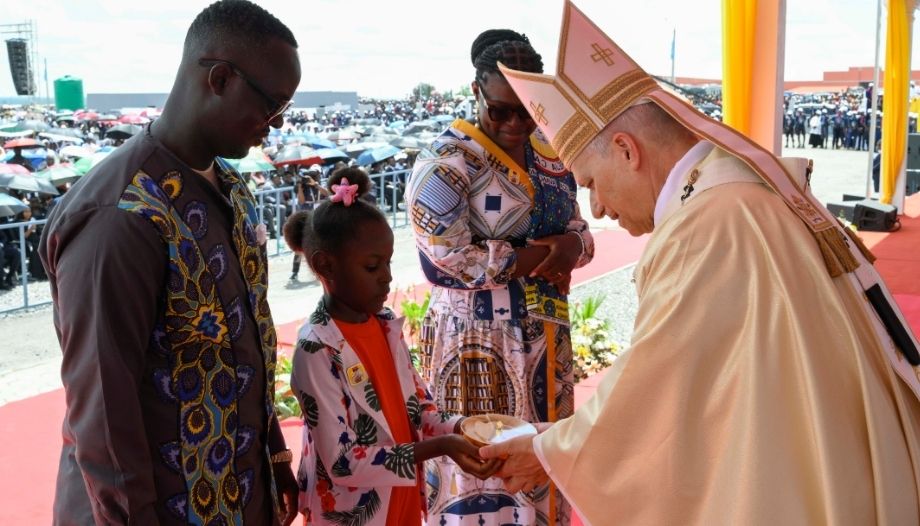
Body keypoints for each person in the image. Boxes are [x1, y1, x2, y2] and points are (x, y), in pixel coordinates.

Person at [481, 2, 920, 524]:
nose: (596, 207)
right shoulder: (731, 188)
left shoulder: (706, 226)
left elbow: (656, 396)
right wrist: (556, 444)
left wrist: (550, 453)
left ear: (626, 149)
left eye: (592, 183)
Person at [38, 1, 302, 524]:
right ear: (220, 78)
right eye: (272, 107)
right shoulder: (122, 215)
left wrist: (273, 455)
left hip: (238, 493)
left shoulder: (230, 186)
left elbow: (250, 340)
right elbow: (104, 414)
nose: (273, 127)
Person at [404, 28, 594, 526]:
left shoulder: (552, 154)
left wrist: (572, 245)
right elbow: (449, 257)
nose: (515, 123)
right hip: (476, 343)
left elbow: (582, 231)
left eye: (527, 110)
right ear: (476, 93)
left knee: (545, 462)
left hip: (547, 337)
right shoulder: (445, 164)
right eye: (500, 110)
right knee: (481, 466)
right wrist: (542, 257)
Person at [281, 168, 500, 525]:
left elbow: (420, 408)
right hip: (355, 514)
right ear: (325, 265)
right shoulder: (316, 349)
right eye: (372, 266)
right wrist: (440, 447)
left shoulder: (385, 325)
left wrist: (466, 427)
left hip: (402, 501)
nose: (387, 276)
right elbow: (343, 462)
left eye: (388, 261)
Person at [289, 165, 328, 282]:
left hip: (319, 217)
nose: (311, 176)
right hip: (305, 217)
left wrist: (315, 184)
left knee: (320, 244)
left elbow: (327, 193)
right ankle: (294, 272)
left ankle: (321, 270)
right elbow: (301, 200)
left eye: (315, 174)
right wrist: (301, 185)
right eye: (310, 174)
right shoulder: (303, 187)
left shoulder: (321, 184)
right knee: (300, 244)